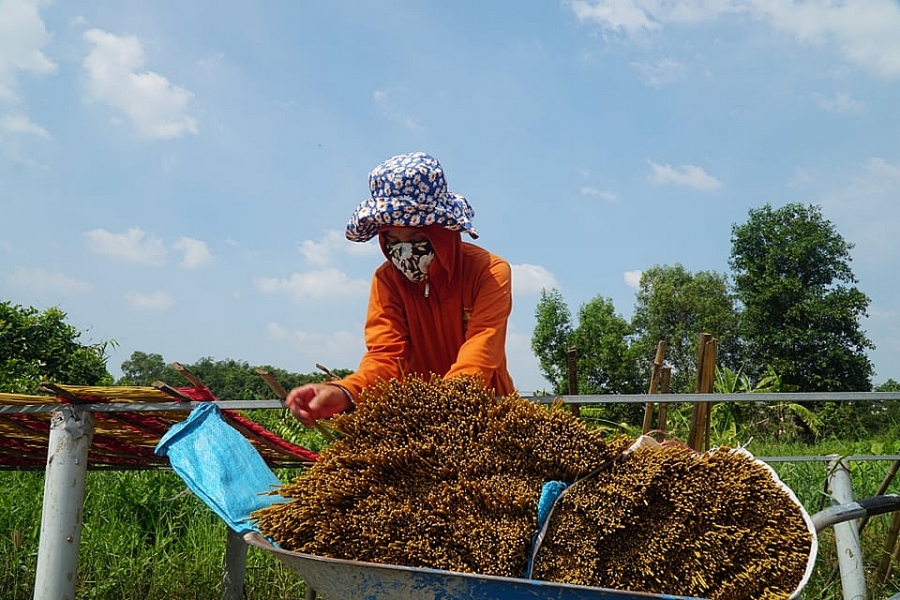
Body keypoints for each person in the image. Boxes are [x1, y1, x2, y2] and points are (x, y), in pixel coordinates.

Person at [286, 151, 515, 427]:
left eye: (417, 237)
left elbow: (481, 349)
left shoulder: (489, 272)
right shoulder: (387, 281)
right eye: (393, 239)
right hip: (416, 422)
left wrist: (445, 403)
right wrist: (346, 392)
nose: (404, 251)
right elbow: (385, 356)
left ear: (443, 230)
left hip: (488, 413)